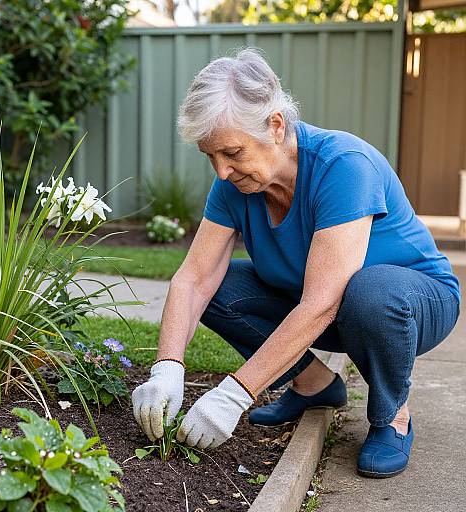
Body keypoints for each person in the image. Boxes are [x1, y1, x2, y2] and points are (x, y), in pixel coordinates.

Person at [131, 48, 461, 478]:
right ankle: (315, 385)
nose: (222, 171)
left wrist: (236, 393)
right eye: (210, 157)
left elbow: (323, 302)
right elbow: (193, 280)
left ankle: (391, 416)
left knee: (370, 291)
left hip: (409, 304)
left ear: (275, 125)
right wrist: (167, 368)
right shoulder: (235, 186)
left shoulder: (343, 166)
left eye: (231, 152)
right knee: (219, 289)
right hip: (327, 308)